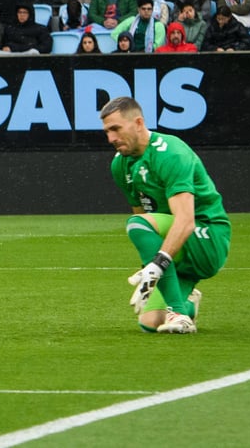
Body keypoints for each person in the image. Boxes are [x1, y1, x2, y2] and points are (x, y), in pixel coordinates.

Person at [100, 96, 230, 333]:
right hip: (176, 244)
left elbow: (186, 221)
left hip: (207, 237)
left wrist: (157, 265)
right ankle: (187, 303)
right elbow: (145, 217)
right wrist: (150, 266)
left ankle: (179, 314)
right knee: (149, 323)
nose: (111, 138)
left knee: (137, 224)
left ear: (138, 123)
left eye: (116, 129)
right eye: (107, 131)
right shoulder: (120, 165)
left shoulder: (171, 153)